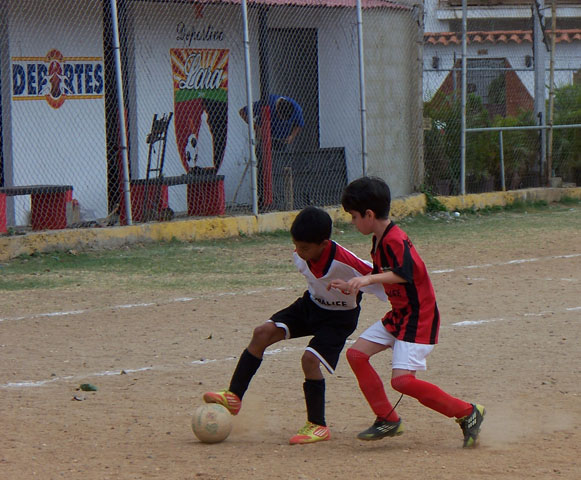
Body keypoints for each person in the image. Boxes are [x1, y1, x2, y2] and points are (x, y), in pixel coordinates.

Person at [203, 206, 387, 444]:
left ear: (323, 243)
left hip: (339, 319)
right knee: (262, 333)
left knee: (309, 360)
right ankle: (234, 396)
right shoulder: (300, 256)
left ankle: (317, 425)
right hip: (309, 307)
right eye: (296, 245)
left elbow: (380, 280)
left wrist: (357, 284)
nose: (299, 252)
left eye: (305, 248)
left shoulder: (347, 262)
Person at [328, 177, 485, 448]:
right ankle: (386, 418)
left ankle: (467, 412)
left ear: (369, 214)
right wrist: (354, 285)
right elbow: (382, 275)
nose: (352, 223)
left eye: (354, 217)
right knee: (356, 355)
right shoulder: (380, 240)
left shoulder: (395, 240)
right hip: (400, 315)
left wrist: (366, 280)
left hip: (418, 317)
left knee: (401, 381)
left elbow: (405, 274)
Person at [239, 95, 304, 210]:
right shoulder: (267, 103)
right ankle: (262, 198)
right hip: (265, 141)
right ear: (277, 109)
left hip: (281, 142)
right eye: (280, 118)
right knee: (263, 169)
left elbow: (299, 124)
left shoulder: (296, 109)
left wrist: (291, 136)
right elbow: (242, 112)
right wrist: (256, 127)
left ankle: (281, 198)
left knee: (280, 168)